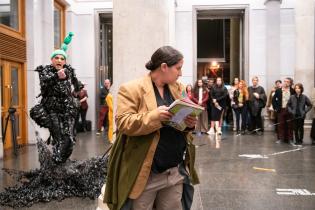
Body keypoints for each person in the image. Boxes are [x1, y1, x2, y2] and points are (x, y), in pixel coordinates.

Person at [104, 46, 199, 210]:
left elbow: (181, 118)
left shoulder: (179, 88)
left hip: (174, 171)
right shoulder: (131, 88)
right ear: (164, 67)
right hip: (145, 174)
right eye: (178, 68)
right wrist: (155, 117)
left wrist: (189, 124)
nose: (181, 73)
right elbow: (123, 122)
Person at [30, 32, 81, 163]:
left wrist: (78, 87)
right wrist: (57, 77)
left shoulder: (68, 70)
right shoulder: (45, 71)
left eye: (62, 58)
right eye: (56, 58)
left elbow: (76, 83)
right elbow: (45, 86)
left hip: (67, 110)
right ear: (52, 60)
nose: (59, 60)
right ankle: (57, 164)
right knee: (59, 138)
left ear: (65, 61)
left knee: (68, 139)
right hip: (52, 110)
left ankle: (59, 162)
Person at [272, 78, 295, 143]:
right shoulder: (278, 90)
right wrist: (275, 108)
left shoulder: (293, 91)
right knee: (280, 124)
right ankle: (280, 138)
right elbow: (273, 100)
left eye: (287, 82)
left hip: (289, 110)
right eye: (284, 81)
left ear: (290, 83)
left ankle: (290, 139)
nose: (285, 83)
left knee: (290, 125)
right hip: (281, 110)